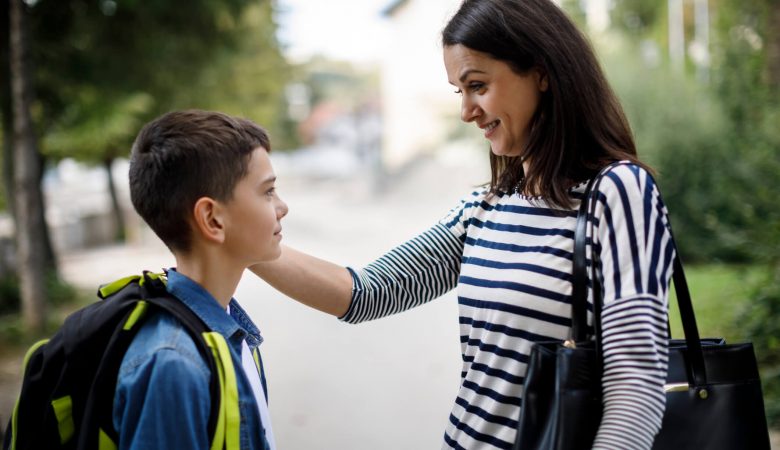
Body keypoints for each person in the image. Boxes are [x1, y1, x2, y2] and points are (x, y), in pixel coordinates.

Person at [252, 0, 675, 448]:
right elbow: (366, 293)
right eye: (460, 91)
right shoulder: (485, 208)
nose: (467, 111)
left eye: (478, 85)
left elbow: (637, 389)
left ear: (542, 73)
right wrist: (242, 246)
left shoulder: (616, 193)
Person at [119, 109, 288, 449]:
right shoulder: (174, 366)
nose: (282, 207)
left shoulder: (229, 327)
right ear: (212, 219)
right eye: (268, 192)